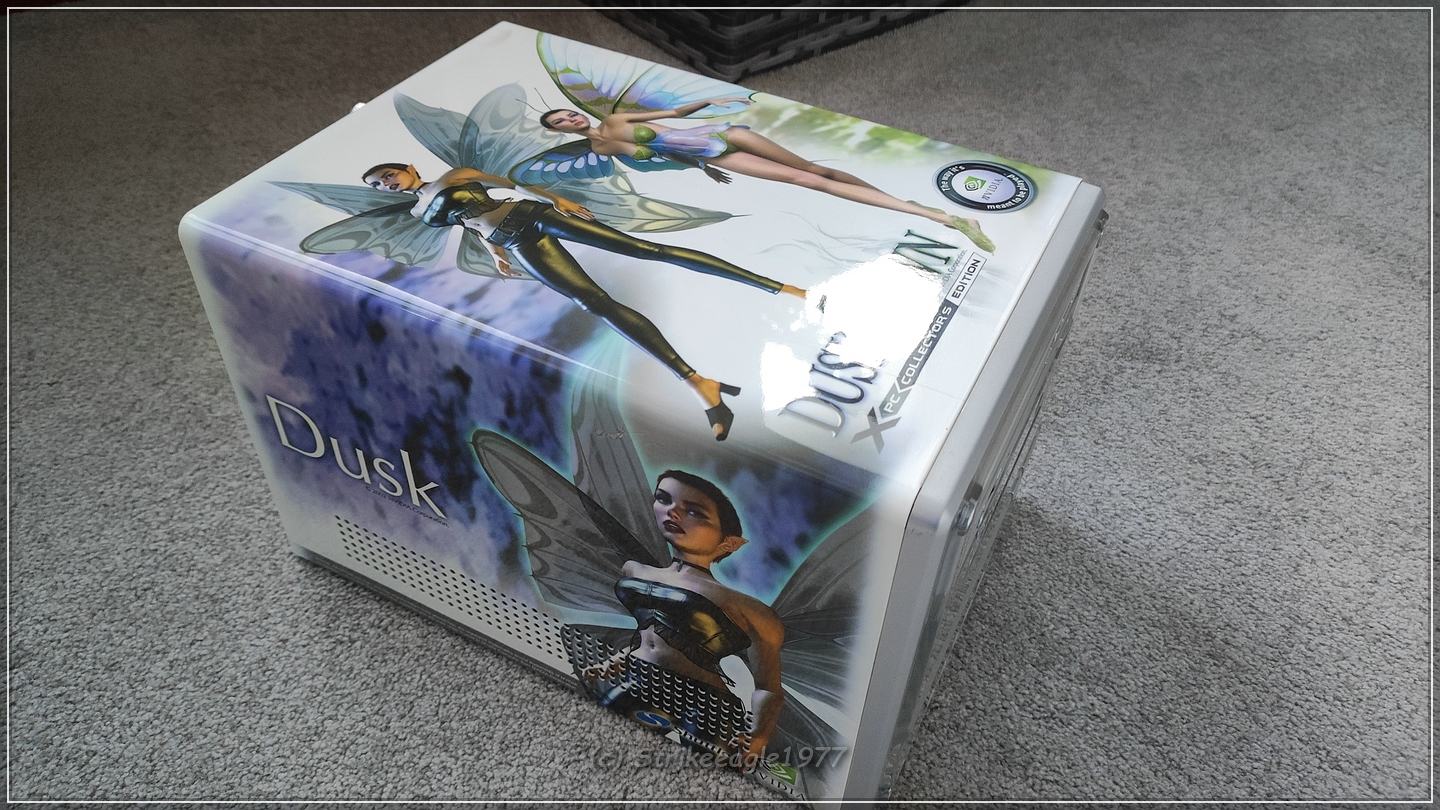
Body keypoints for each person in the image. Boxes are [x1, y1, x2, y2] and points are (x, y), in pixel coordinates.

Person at [362, 162, 808, 441]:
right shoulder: (420, 211)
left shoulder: (453, 176)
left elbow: (509, 184)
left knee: (646, 250)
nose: (387, 185)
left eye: (388, 176)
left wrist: (558, 199)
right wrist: (496, 254)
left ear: (406, 168)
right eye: (380, 185)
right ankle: (699, 384)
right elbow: (470, 224)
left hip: (531, 215)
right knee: (593, 303)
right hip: (513, 242)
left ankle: (786, 289)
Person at [539, 99, 997, 252]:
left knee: (814, 169)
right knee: (809, 181)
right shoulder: (602, 148)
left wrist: (713, 101)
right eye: (560, 123)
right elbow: (660, 155)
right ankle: (943, 217)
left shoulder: (616, 119)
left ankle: (915, 207)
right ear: (559, 132)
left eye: (567, 114)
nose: (570, 120)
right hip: (716, 157)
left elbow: (675, 117)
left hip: (722, 134)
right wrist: (703, 168)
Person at [574, 470, 785, 769]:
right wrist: (617, 661)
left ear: (729, 543)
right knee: (599, 744)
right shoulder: (635, 571)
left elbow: (768, 688)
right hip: (642, 678)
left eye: (694, 512)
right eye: (664, 499)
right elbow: (651, 631)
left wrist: (758, 738)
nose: (673, 512)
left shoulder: (749, 609)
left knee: (710, 771)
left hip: (707, 702)